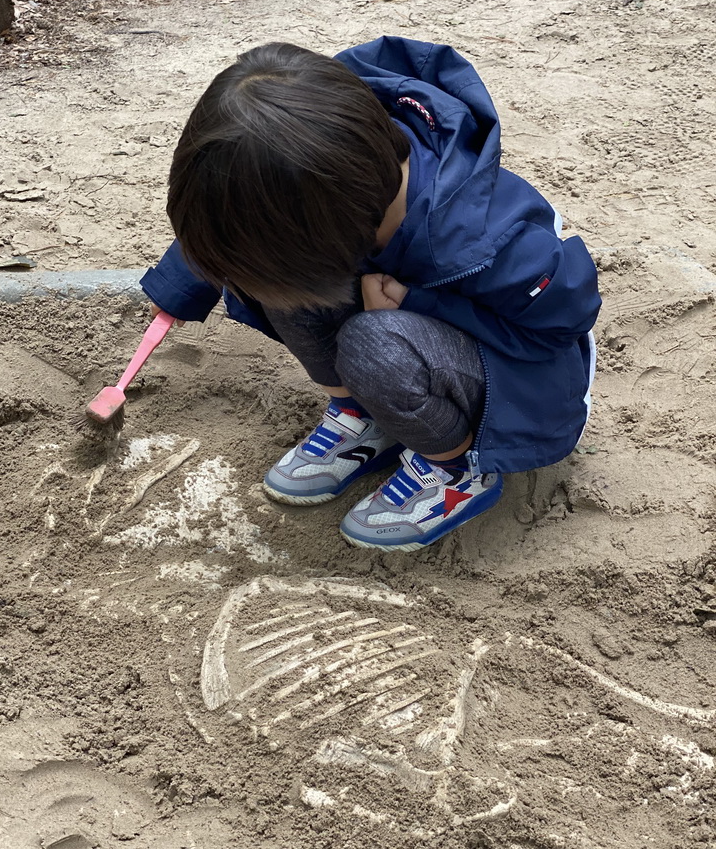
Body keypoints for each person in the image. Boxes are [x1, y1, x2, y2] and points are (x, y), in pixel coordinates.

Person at [140, 37, 601, 552]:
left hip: (518, 372)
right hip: (400, 314)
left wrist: (420, 304)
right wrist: (184, 281)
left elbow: (562, 328)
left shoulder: (489, 241)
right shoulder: (326, 156)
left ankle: (457, 469)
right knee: (278, 286)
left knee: (372, 345)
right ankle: (361, 413)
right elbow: (247, 208)